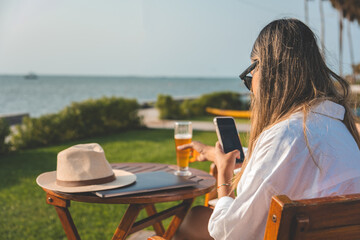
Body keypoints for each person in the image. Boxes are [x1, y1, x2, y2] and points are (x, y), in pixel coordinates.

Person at [177, 18, 360, 240]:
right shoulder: (340, 131)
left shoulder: (285, 135)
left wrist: (224, 179)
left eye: (250, 74)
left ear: (267, 70)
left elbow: (232, 233)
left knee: (194, 219)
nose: (252, 88)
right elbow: (294, 168)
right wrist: (213, 154)